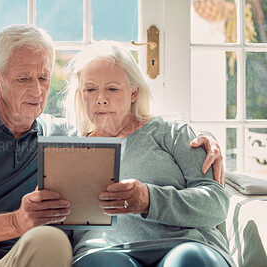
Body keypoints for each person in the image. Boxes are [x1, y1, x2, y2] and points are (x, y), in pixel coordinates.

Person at [0, 25, 223, 267]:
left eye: (43, 78)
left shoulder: (59, 135)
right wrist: (16, 221)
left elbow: (120, 126)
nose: (38, 91)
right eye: (24, 78)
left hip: (17, 259)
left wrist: (203, 141)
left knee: (51, 241)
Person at [63, 41, 234, 267]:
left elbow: (216, 205)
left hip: (184, 245)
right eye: (90, 89)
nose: (100, 98)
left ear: (134, 92)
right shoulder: (68, 146)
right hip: (105, 251)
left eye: (112, 88)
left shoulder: (172, 133)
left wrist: (149, 199)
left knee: (188, 261)